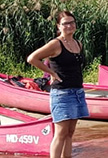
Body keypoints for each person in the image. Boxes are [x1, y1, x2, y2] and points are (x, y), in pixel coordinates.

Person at [27, 11, 88, 158]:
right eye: (65, 23)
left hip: (77, 92)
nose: (69, 26)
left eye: (72, 22)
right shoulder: (55, 44)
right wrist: (52, 73)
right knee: (60, 133)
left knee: (70, 132)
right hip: (62, 93)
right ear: (58, 26)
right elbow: (32, 58)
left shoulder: (77, 43)